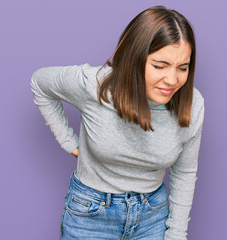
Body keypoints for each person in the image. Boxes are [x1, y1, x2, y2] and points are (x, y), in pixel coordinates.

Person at [30, 5, 205, 240]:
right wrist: (68, 141)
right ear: (135, 57)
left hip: (153, 216)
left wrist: (176, 235)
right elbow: (40, 83)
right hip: (90, 215)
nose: (172, 79)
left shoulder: (192, 104)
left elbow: (184, 173)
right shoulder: (95, 86)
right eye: (159, 66)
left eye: (182, 68)